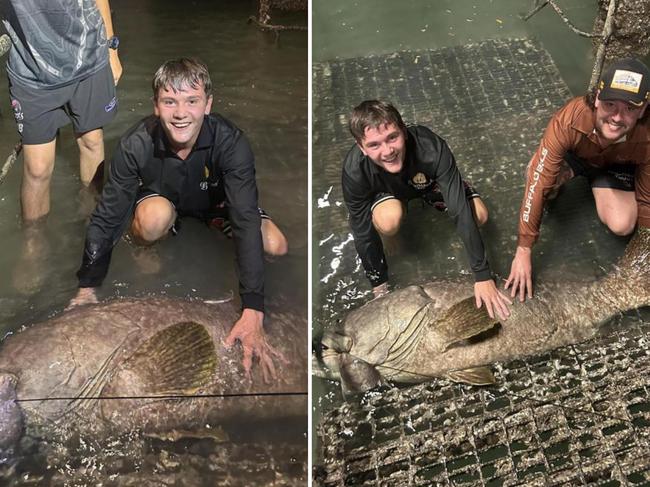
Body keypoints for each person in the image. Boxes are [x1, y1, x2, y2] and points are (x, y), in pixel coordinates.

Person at [69, 58, 289, 381]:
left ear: (208, 105)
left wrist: (253, 307)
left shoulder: (232, 143)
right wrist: (88, 285)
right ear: (156, 106)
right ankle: (147, 246)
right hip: (163, 202)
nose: (181, 113)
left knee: (275, 244)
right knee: (153, 218)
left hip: (217, 206)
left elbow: (243, 218)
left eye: (192, 101)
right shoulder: (135, 144)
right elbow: (107, 216)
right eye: (169, 101)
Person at [342, 100, 511, 320]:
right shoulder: (355, 172)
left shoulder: (430, 147)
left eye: (392, 137)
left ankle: (449, 185)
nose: (388, 151)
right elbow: (362, 233)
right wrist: (379, 288)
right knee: (389, 223)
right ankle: (393, 229)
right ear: (361, 147)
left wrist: (482, 275)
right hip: (387, 191)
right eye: (375, 145)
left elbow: (460, 209)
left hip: (428, 181)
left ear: (403, 131)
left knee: (479, 215)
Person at [505, 58, 650, 301]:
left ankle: (597, 185)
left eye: (629, 109)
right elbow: (538, 182)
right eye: (610, 104)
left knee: (622, 224)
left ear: (644, 110)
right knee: (536, 174)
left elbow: (647, 198)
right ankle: (574, 176)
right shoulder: (569, 119)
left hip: (617, 165)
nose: (616, 117)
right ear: (596, 98)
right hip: (578, 157)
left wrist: (644, 250)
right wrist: (523, 248)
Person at [2, 0, 122, 221]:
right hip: (32, 71)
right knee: (37, 169)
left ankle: (91, 218)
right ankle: (33, 243)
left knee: (92, 142)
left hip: (89, 56)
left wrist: (111, 47)